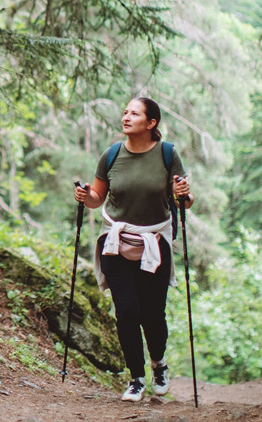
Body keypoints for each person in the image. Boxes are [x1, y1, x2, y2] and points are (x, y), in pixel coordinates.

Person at [74, 97, 192, 402]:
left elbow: (184, 200)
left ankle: (159, 365)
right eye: (125, 111)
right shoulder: (112, 154)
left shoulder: (167, 154)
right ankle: (136, 378)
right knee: (127, 312)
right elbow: (97, 198)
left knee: (153, 314)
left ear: (151, 123)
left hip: (155, 241)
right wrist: (84, 195)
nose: (126, 117)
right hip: (115, 241)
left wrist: (183, 194)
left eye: (134, 113)